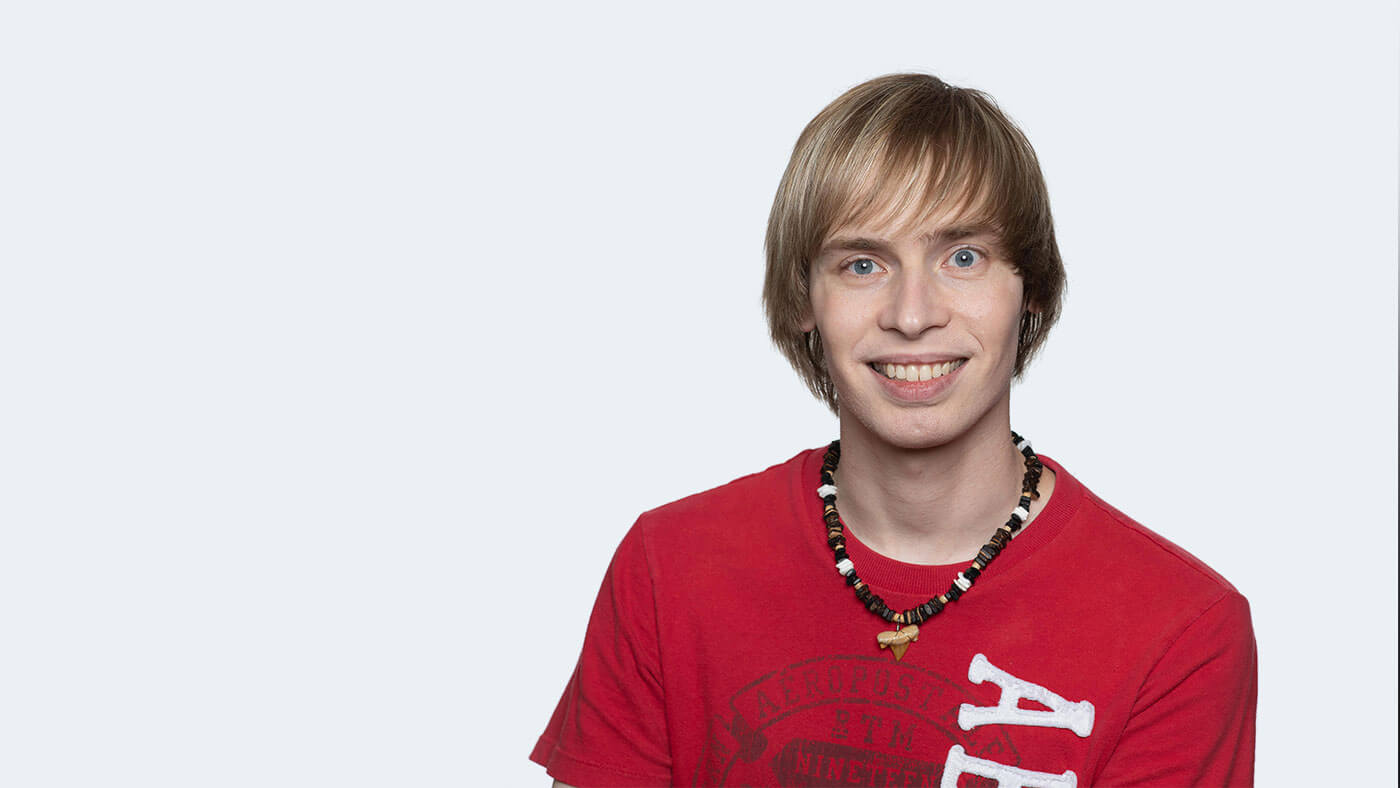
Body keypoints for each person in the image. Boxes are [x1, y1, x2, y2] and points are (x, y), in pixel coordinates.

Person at [530, 73, 1257, 787]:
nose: (912, 314)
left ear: (1029, 289)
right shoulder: (672, 568)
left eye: (963, 258)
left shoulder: (1179, 629)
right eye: (863, 263)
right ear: (803, 299)